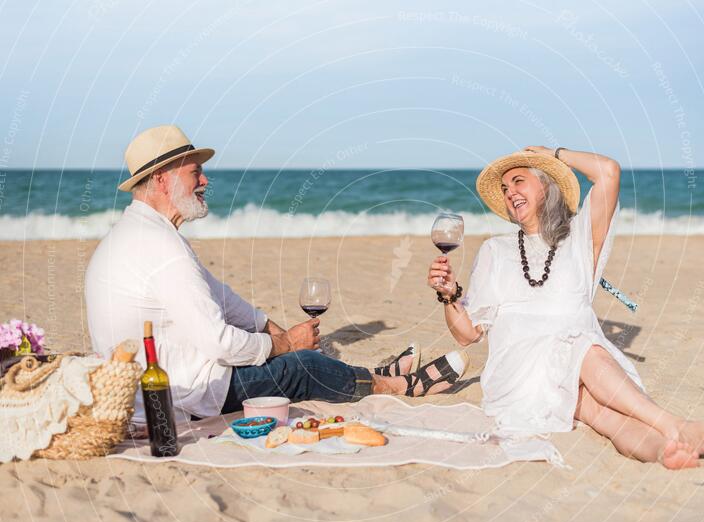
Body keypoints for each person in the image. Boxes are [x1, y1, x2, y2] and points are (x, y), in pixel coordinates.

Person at [86, 125, 467, 425]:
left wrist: (273, 330)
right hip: (178, 393)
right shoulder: (161, 247)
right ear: (163, 180)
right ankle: (398, 385)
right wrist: (286, 346)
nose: (204, 182)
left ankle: (366, 374)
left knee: (275, 350)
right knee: (303, 368)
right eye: (195, 173)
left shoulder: (141, 233)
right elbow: (219, 344)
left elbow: (220, 296)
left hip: (151, 384)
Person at [427, 146, 704, 469]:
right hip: (521, 379)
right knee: (587, 349)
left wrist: (555, 155)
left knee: (600, 414)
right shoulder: (494, 251)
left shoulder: (580, 239)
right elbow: (467, 334)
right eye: (504, 189)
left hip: (571, 372)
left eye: (519, 181)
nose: (510, 193)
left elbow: (609, 173)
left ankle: (662, 450)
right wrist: (448, 296)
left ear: (545, 185)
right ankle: (675, 425)